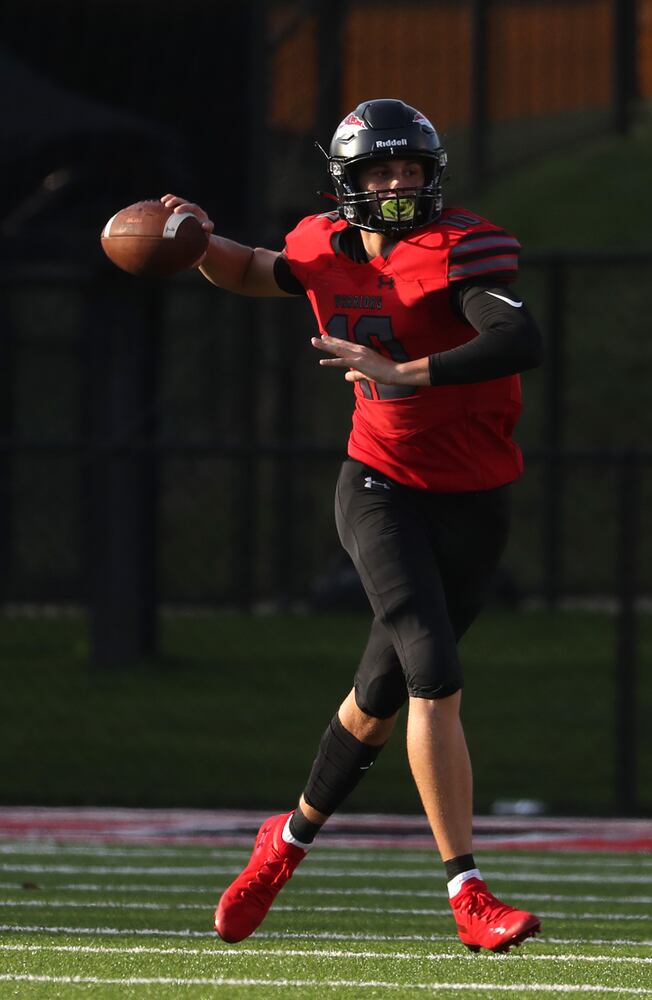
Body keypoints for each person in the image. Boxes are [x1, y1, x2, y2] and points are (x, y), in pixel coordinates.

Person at [161, 98, 543, 954]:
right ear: (350, 183)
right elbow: (258, 268)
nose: (399, 183)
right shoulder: (322, 245)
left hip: (477, 497)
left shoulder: (461, 247)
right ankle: (468, 891)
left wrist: (404, 369)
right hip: (380, 484)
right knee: (431, 672)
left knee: (376, 700)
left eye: (411, 168)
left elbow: (518, 337)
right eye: (381, 171)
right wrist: (193, 243)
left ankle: (283, 843)